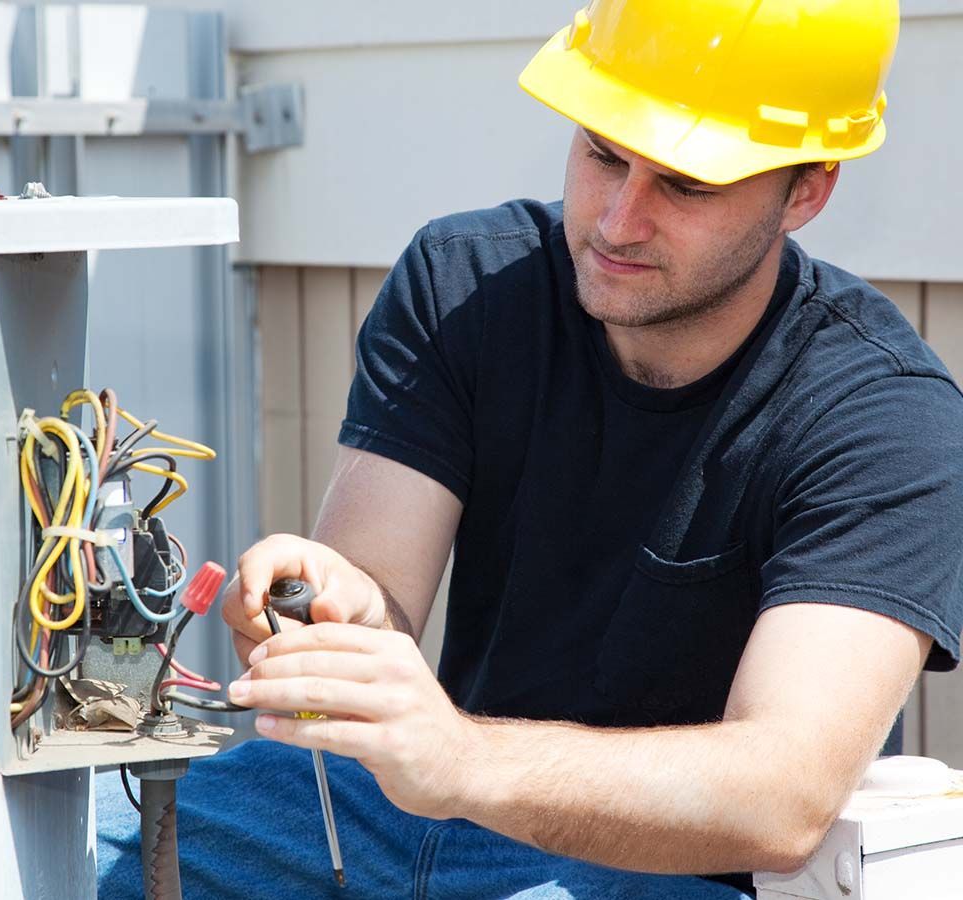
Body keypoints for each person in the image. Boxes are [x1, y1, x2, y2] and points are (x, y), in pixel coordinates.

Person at [98, 0, 963, 897]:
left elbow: (782, 798)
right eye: (602, 154)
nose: (619, 221)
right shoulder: (463, 284)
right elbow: (376, 604)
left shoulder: (885, 415)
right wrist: (338, 612)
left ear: (808, 189)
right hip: (400, 811)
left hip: (667, 874)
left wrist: (461, 759)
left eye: (688, 185)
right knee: (60, 848)